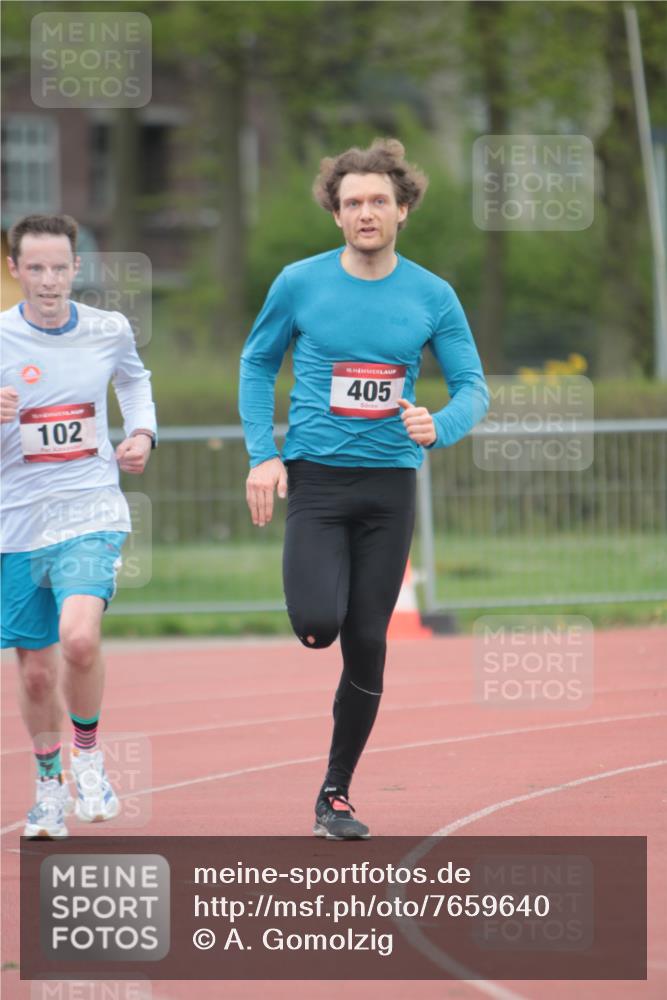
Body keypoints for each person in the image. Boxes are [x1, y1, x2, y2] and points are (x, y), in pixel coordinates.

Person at [239, 138, 488, 839]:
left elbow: (473, 386)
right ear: (336, 214)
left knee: (368, 642)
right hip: (316, 481)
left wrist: (438, 425)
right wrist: (263, 456)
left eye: (379, 200)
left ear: (403, 210)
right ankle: (326, 606)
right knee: (319, 624)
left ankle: (335, 794)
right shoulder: (299, 283)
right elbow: (256, 364)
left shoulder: (432, 295)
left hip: (390, 487)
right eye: (352, 203)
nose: (366, 213)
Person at [1, 214, 157, 838]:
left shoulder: (107, 329)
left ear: (77, 268)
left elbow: (135, 380)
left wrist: (142, 432)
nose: (48, 280)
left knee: (80, 639)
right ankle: (48, 787)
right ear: (14, 269)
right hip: (16, 523)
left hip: (90, 509)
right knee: (37, 672)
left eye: (58, 268)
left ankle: (88, 760)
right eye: (35, 268)